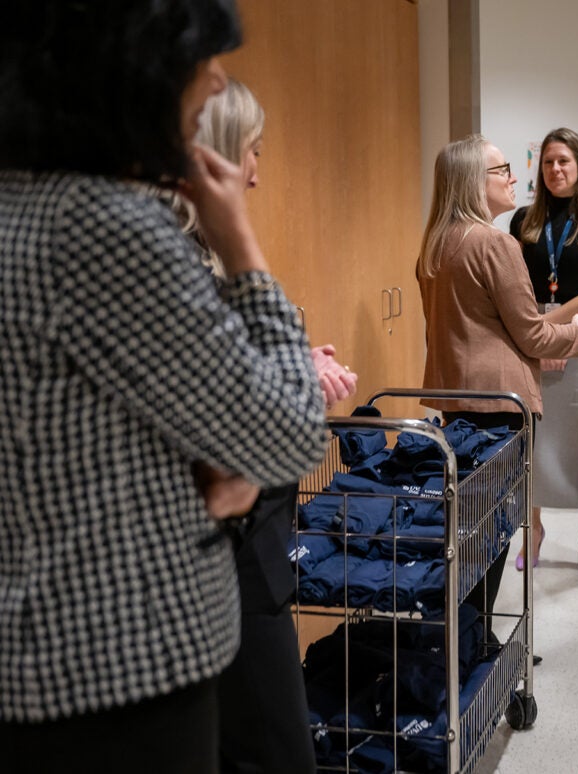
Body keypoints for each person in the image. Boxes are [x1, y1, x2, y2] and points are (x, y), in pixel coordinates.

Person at [0, 2, 329, 771]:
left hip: (41, 653)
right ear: (131, 67)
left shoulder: (21, 208)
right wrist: (242, 246)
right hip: (126, 663)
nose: (216, 77)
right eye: (201, 60)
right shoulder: (109, 229)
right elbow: (285, 434)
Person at [191, 78, 357, 774]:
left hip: (247, 538)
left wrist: (289, 361)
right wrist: (292, 387)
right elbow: (262, 431)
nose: (259, 170)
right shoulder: (183, 262)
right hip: (224, 553)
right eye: (253, 150)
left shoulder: (195, 257)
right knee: (276, 751)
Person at [417, 134, 578, 634]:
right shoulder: (495, 243)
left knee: (468, 530)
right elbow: (533, 333)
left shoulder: (437, 243)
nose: (515, 178)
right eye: (503, 171)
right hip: (500, 408)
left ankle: (467, 639)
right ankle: (478, 644)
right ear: (476, 182)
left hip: (456, 405)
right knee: (492, 533)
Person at [510, 128, 578, 576]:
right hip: (531, 334)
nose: (556, 169)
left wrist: (547, 328)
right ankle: (532, 530)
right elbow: (514, 285)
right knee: (531, 439)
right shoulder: (522, 221)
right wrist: (535, 336)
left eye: (565, 162)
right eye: (549, 162)